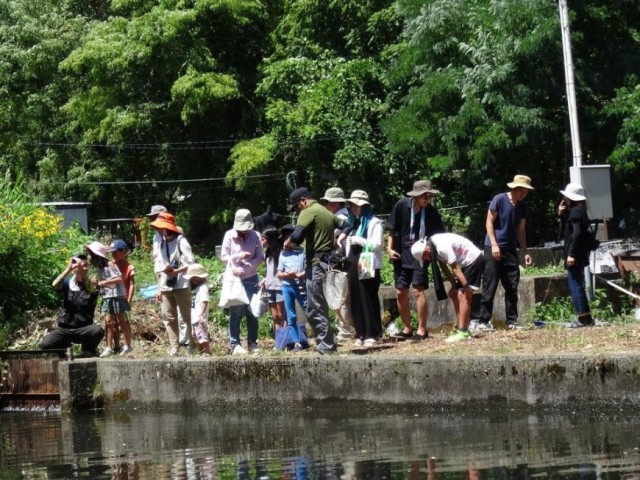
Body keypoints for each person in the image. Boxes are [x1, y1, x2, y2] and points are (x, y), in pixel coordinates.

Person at [283, 187, 352, 354]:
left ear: (303, 200)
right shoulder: (325, 211)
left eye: (297, 206)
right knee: (321, 305)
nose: (297, 210)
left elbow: (298, 235)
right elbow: (347, 225)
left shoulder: (308, 211)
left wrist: (288, 242)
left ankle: (326, 346)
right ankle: (328, 343)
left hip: (315, 265)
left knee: (315, 307)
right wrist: (339, 239)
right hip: (327, 264)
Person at [471, 175, 533, 331]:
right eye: (522, 191)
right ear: (515, 189)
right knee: (490, 286)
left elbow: (521, 230)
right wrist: (494, 245)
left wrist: (525, 251)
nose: (524, 194)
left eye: (526, 191)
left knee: (512, 285)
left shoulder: (522, 206)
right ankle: (484, 321)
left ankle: (512, 320)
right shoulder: (499, 199)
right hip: (493, 247)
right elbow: (489, 222)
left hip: (510, 249)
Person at [386, 180, 445, 340]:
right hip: (401, 253)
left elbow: (439, 236)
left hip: (420, 255)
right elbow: (392, 229)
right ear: (416, 195)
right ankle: (406, 329)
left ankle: (422, 330)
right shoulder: (401, 205)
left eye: (429, 196)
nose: (427, 199)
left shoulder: (431, 212)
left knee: (418, 290)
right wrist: (389, 248)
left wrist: (430, 250)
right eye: (424, 196)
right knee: (400, 292)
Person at [411, 233, 486, 343]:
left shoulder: (441, 246)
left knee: (463, 294)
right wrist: (453, 285)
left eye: (425, 258)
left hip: (474, 260)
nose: (427, 260)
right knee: (454, 293)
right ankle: (461, 326)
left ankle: (463, 331)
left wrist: (466, 287)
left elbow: (455, 269)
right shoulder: (434, 247)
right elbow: (444, 267)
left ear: (426, 251)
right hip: (467, 264)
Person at [150, 212, 196, 356]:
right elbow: (158, 266)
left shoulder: (181, 241)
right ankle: (174, 347)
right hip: (165, 284)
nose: (158, 230)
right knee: (169, 318)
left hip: (181, 283)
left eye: (160, 227)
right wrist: (159, 287)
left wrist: (176, 271)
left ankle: (192, 345)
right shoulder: (160, 242)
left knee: (187, 316)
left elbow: (191, 262)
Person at [220, 209, 265, 355]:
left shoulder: (256, 236)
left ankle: (252, 342)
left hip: (251, 277)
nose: (243, 232)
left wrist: (246, 267)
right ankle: (235, 345)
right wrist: (238, 257)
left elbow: (260, 257)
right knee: (236, 313)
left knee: (252, 311)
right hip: (234, 279)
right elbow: (223, 257)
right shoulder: (229, 235)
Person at [40, 255, 104, 355]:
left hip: (83, 329)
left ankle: (88, 349)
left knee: (97, 331)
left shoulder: (91, 284)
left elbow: (92, 290)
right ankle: (64, 349)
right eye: (83, 266)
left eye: (86, 265)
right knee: (45, 344)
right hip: (65, 329)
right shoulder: (68, 283)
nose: (85, 268)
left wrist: (83, 274)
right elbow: (55, 284)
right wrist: (69, 269)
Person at [345, 190, 384, 347]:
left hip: (367, 263)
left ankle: (373, 333)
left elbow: (377, 244)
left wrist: (360, 240)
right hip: (353, 263)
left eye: (356, 205)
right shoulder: (354, 223)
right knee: (355, 298)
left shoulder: (374, 223)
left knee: (368, 297)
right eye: (352, 206)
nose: (353, 208)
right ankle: (360, 332)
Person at [84, 241, 132, 357]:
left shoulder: (110, 264)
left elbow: (119, 279)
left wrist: (105, 282)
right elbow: (99, 280)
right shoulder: (99, 266)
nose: (90, 256)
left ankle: (127, 345)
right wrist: (95, 282)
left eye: (92, 253)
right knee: (108, 322)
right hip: (107, 295)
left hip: (117, 295)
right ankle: (109, 347)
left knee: (121, 320)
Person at [320, 186, 355, 342]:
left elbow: (332, 240)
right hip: (351, 261)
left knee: (340, 298)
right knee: (348, 297)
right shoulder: (351, 215)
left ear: (334, 203)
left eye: (327, 202)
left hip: (340, 262)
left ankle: (345, 331)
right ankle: (352, 328)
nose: (326, 206)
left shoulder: (338, 219)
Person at [557, 183, 594, 327]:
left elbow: (577, 234)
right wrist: (561, 214)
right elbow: (571, 228)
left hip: (575, 254)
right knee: (578, 284)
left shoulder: (576, 212)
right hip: (579, 253)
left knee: (575, 285)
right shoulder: (579, 210)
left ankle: (582, 318)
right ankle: (586, 318)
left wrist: (571, 254)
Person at [277, 224, 307, 351]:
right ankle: (296, 342)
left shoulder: (302, 252)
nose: (287, 239)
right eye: (286, 237)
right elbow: (278, 273)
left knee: (309, 311)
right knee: (291, 316)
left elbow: (307, 269)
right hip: (287, 286)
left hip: (300, 286)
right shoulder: (282, 254)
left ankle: (320, 338)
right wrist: (286, 274)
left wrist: (300, 274)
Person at [109, 239, 135, 351]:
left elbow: (132, 284)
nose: (113, 255)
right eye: (112, 252)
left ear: (123, 252)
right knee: (111, 322)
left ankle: (127, 345)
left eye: (115, 252)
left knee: (123, 321)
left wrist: (129, 299)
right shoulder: (111, 264)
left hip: (123, 298)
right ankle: (116, 346)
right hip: (112, 296)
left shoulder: (129, 267)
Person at [260, 228, 285, 335]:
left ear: (270, 239)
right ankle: (278, 339)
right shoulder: (268, 253)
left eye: (263, 239)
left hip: (280, 286)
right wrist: (264, 279)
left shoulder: (281, 253)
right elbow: (269, 270)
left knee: (281, 315)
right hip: (269, 287)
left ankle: (285, 338)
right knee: (274, 316)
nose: (261, 242)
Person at [183, 263, 212, 355]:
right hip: (194, 316)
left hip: (199, 317)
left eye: (194, 278)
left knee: (202, 334)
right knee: (195, 335)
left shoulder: (203, 288)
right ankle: (201, 351)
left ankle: (207, 351)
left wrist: (201, 314)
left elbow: (205, 301)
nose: (193, 280)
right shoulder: (198, 288)